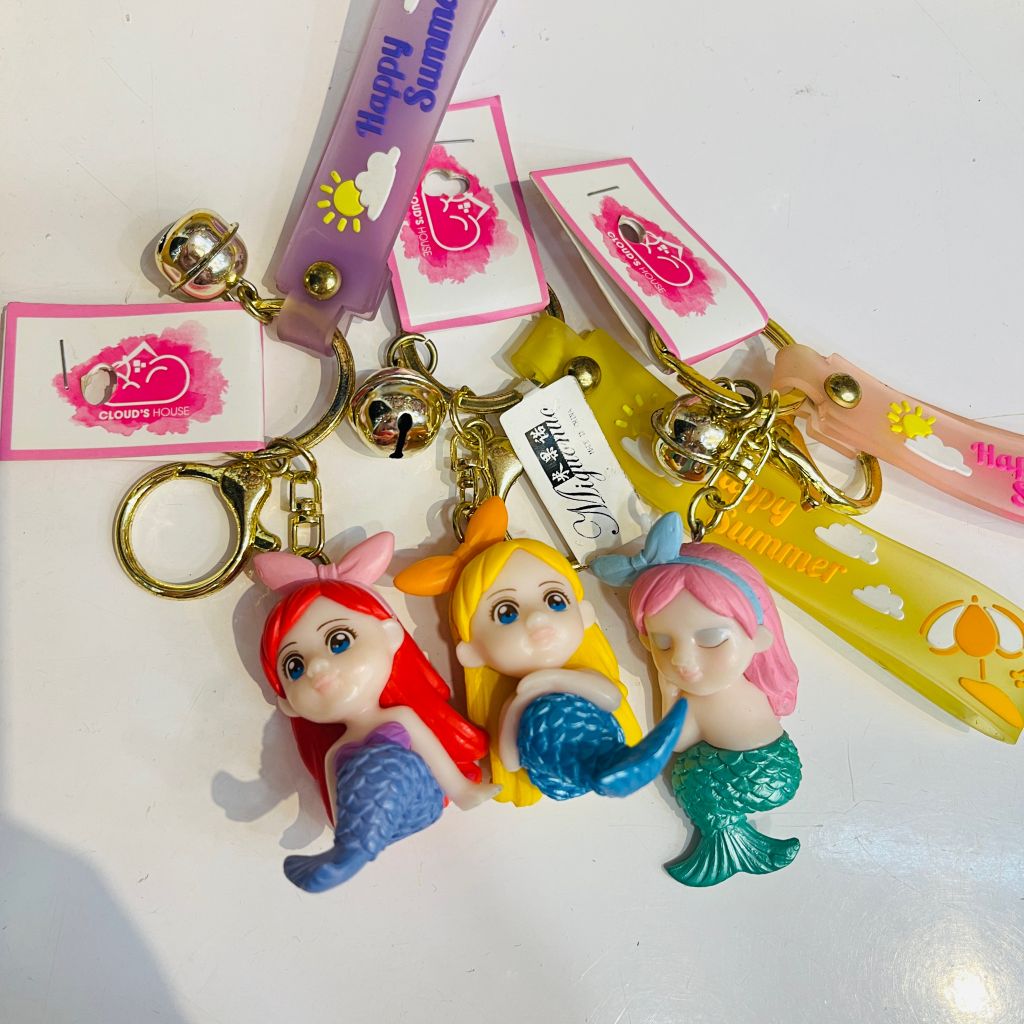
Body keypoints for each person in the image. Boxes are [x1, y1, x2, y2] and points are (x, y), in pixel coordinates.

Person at [395, 498, 687, 807]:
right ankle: (609, 771)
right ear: (471, 653)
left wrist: (553, 681)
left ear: (584, 614)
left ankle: (614, 767)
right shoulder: (516, 702)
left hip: (596, 746)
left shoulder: (542, 690)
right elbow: (509, 760)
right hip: (552, 771)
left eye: (555, 600)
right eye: (506, 613)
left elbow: (611, 698)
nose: (537, 618)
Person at [254, 534, 495, 892]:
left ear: (390, 636)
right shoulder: (336, 752)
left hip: (417, 801)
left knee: (386, 766)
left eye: (339, 641)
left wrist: (463, 791)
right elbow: (338, 806)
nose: (316, 667)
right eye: (294, 667)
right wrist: (344, 830)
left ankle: (349, 855)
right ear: (287, 702)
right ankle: (347, 853)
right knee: (367, 774)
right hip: (375, 826)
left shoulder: (398, 720)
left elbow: (434, 756)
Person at [592, 511, 802, 886]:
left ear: (758, 636)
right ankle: (732, 841)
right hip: (761, 772)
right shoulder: (728, 691)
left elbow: (679, 741)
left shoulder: (714, 696)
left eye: (712, 639)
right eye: (662, 643)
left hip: (758, 774)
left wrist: (668, 686)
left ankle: (725, 843)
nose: (682, 659)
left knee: (691, 776)